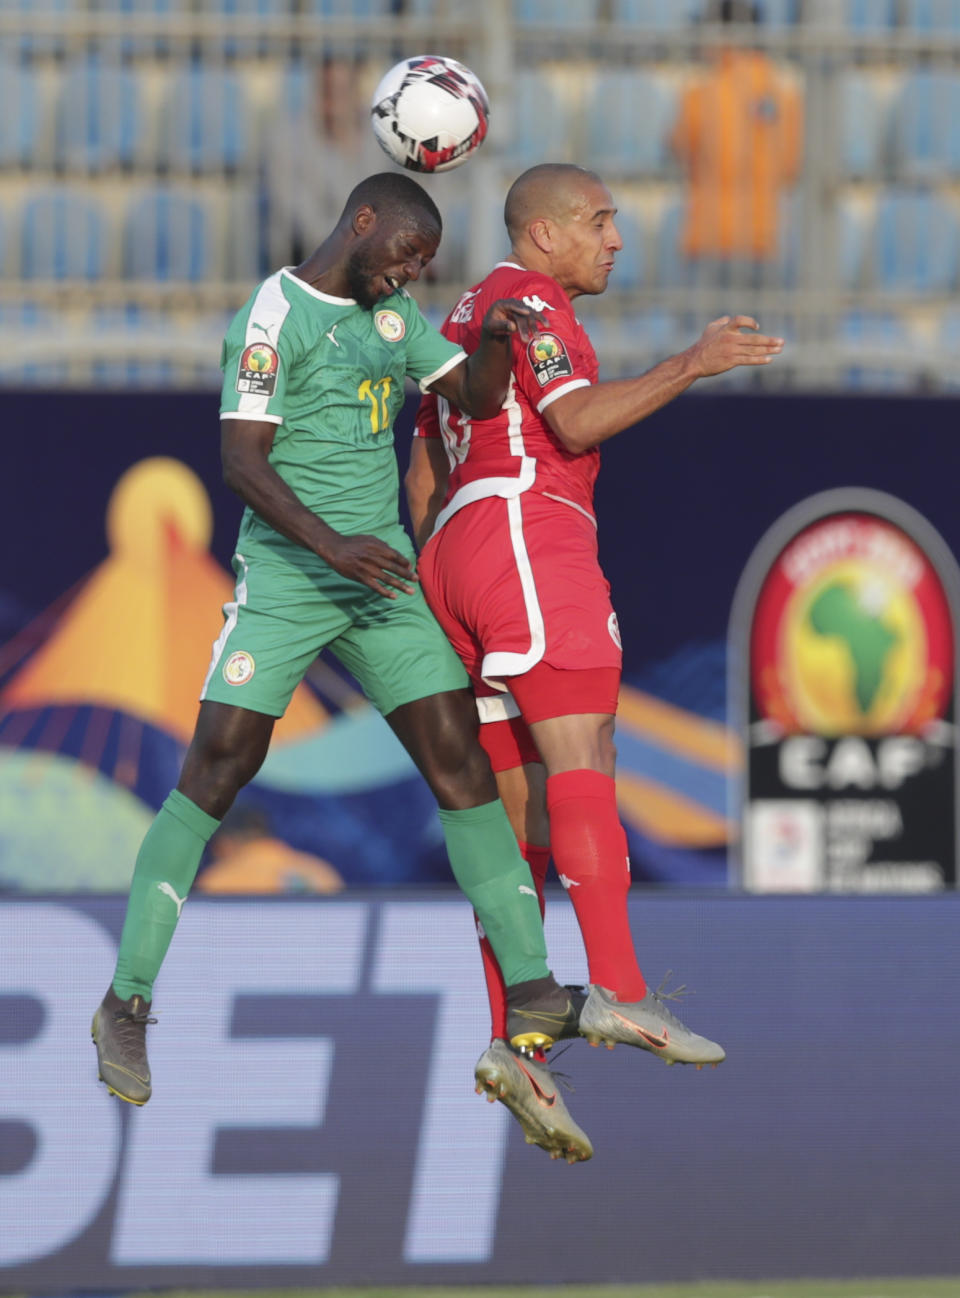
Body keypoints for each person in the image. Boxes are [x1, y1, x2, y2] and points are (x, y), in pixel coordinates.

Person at [91, 171, 591, 1164]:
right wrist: (330, 547)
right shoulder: (276, 313)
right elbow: (242, 461)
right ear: (362, 223)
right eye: (404, 252)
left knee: (459, 761)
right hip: (294, 572)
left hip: (379, 580)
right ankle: (126, 999)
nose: (409, 273)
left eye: (421, 265)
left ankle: (532, 983)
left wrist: (496, 341)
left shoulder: (396, 320)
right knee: (218, 769)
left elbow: (480, 399)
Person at [406, 162, 784, 1148]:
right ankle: (617, 987)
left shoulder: (461, 318)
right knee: (588, 756)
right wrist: (691, 363)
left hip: (455, 551)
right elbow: (570, 421)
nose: (616, 237)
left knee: (513, 829)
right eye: (598, 220)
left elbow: (420, 469)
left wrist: (444, 566)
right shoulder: (527, 300)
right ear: (541, 235)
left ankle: (518, 1049)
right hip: (529, 532)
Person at [669, 0, 803, 284]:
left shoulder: (703, 93)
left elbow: (681, 150)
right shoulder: (784, 93)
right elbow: (792, 166)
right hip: (764, 238)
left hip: (711, 237)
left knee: (710, 326)